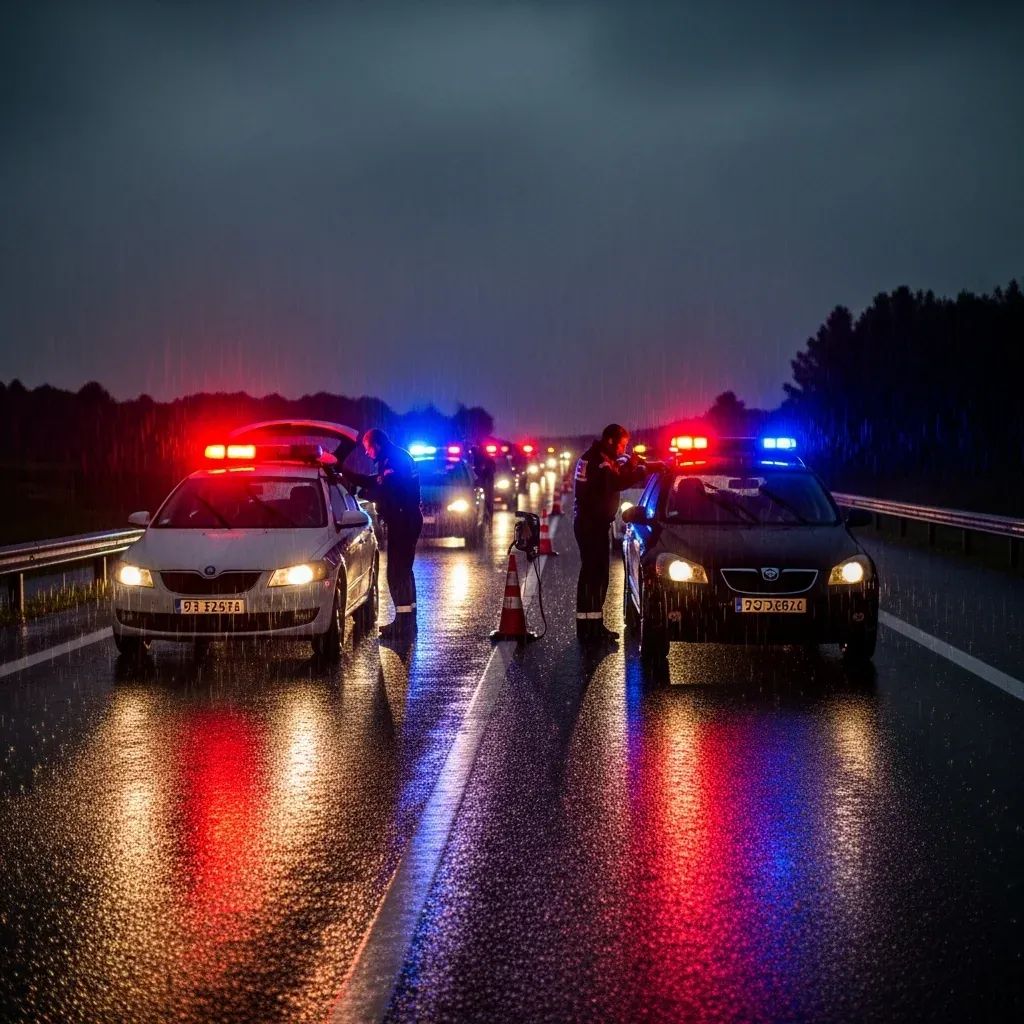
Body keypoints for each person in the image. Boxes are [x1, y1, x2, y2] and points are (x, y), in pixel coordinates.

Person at [342, 429, 422, 640]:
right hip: (407, 518)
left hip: (403, 521)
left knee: (396, 573)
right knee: (404, 570)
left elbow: (386, 490)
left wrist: (362, 494)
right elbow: (374, 481)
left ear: (376, 445)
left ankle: (403, 625)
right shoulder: (395, 457)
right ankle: (408, 621)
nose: (367, 453)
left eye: (368, 448)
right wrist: (346, 474)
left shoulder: (393, 462)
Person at [573, 423, 648, 643]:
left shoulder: (594, 458)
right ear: (610, 441)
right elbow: (616, 481)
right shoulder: (598, 461)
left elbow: (614, 473)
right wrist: (640, 471)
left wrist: (633, 464)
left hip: (590, 525)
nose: (624, 450)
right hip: (591, 526)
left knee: (591, 576)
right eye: (622, 444)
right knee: (596, 577)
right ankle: (591, 630)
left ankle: (590, 626)